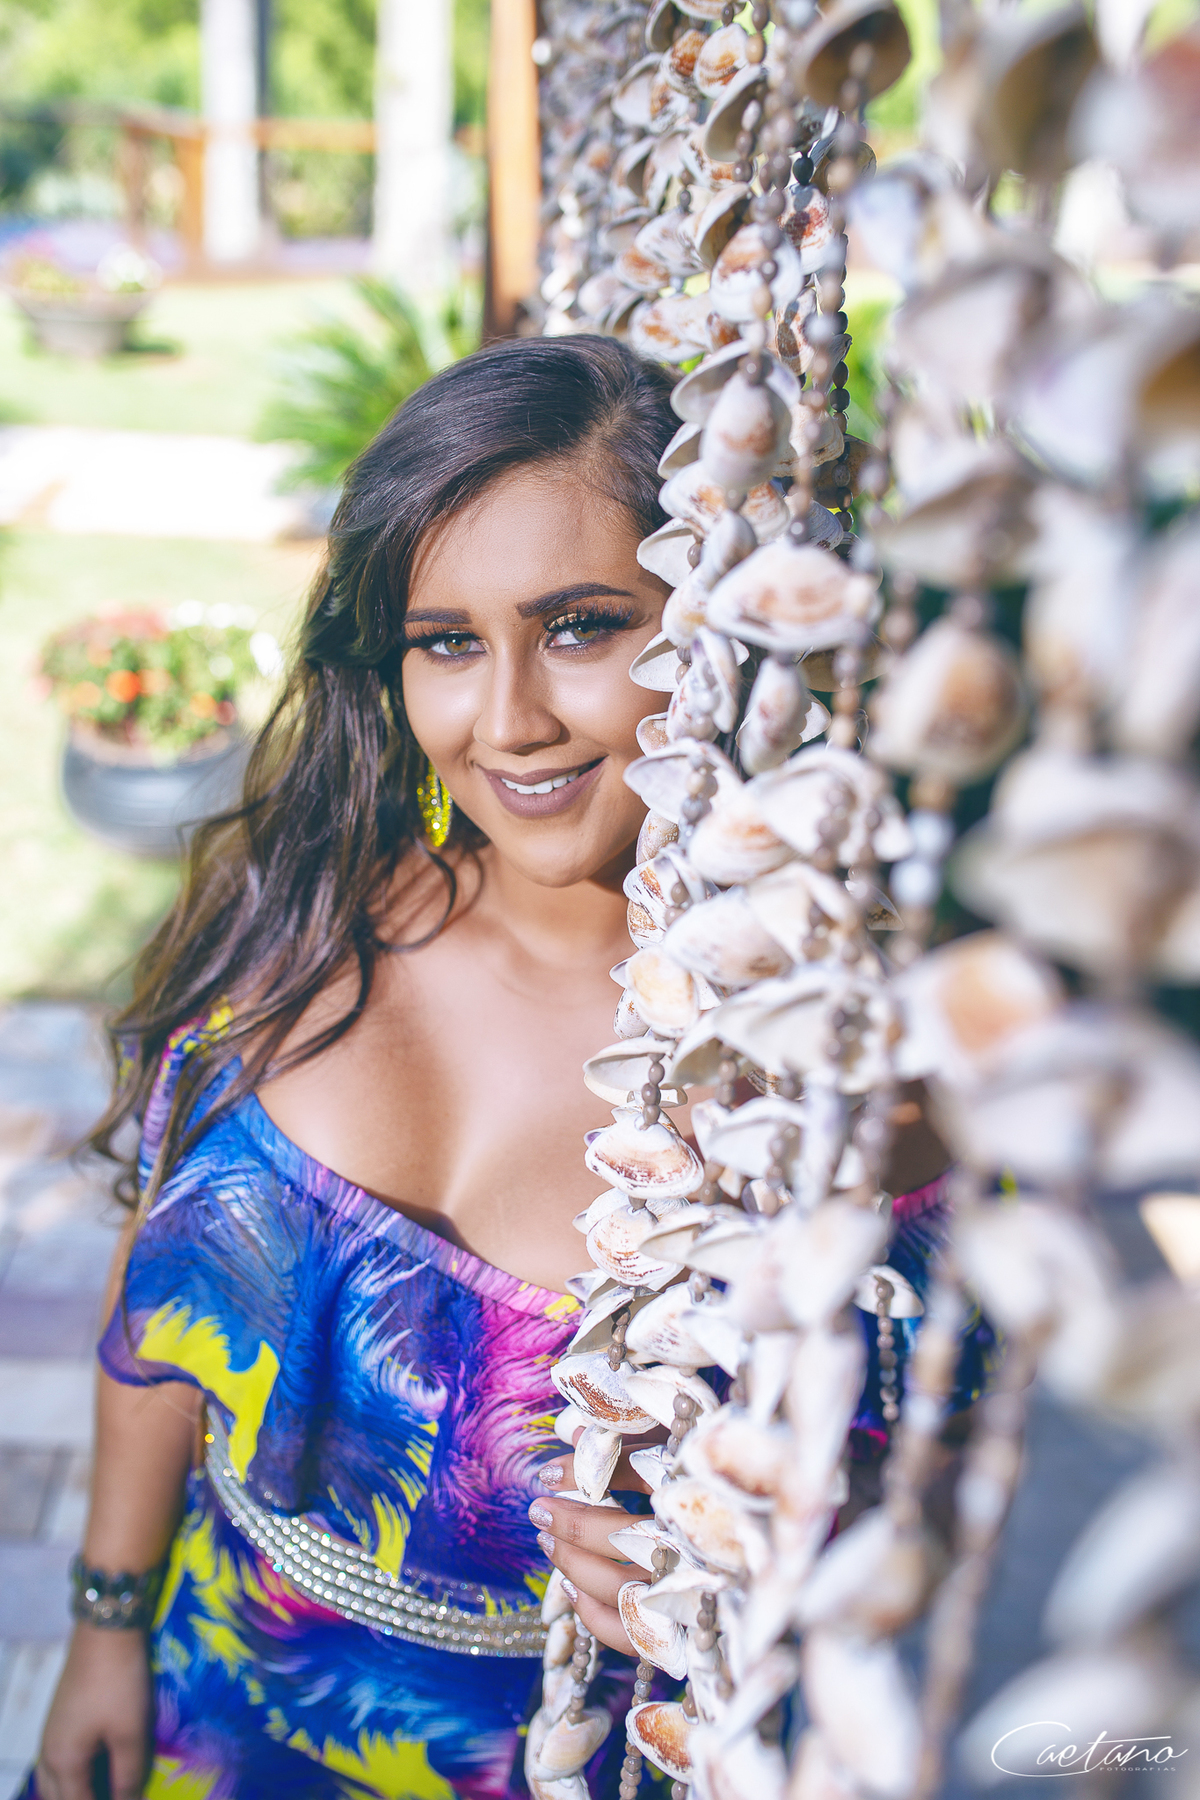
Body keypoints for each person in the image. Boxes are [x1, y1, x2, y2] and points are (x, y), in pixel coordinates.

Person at [28, 336, 969, 1800]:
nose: (511, 720)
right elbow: (159, 1322)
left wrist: (766, 1549)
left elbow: (940, 1487)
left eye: (582, 627)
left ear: (719, 623)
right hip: (204, 1695)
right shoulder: (294, 918)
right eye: (447, 643)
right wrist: (105, 1620)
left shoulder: (831, 1080)